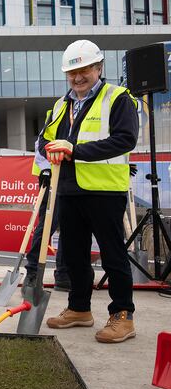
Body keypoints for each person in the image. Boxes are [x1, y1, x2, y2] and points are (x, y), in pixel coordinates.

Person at [41, 39, 139, 344]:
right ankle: (79, 308)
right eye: (72, 72)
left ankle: (122, 315)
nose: (78, 77)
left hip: (105, 190)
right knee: (73, 253)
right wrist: (49, 149)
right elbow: (46, 137)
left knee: (113, 254)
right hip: (70, 189)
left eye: (84, 70)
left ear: (98, 68)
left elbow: (125, 140)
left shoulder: (118, 98)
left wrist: (75, 150)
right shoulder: (62, 104)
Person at [24, 140, 70, 292]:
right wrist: (45, 167)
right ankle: (33, 272)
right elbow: (42, 142)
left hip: (76, 175)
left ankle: (64, 274)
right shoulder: (56, 115)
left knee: (71, 226)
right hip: (53, 172)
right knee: (48, 224)